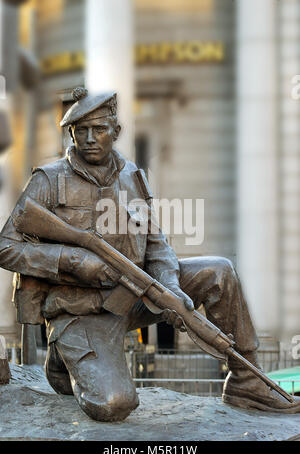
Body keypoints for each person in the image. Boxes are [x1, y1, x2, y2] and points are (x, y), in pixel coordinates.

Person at [0, 87, 299, 421]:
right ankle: (64, 359)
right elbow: (7, 248)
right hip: (81, 311)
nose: (88, 139)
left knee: (219, 271)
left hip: (135, 294)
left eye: (98, 130)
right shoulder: (48, 181)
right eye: (79, 131)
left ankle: (247, 381)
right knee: (114, 405)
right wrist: (71, 261)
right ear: (70, 134)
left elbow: (157, 245)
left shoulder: (132, 177)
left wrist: (170, 288)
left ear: (116, 131)